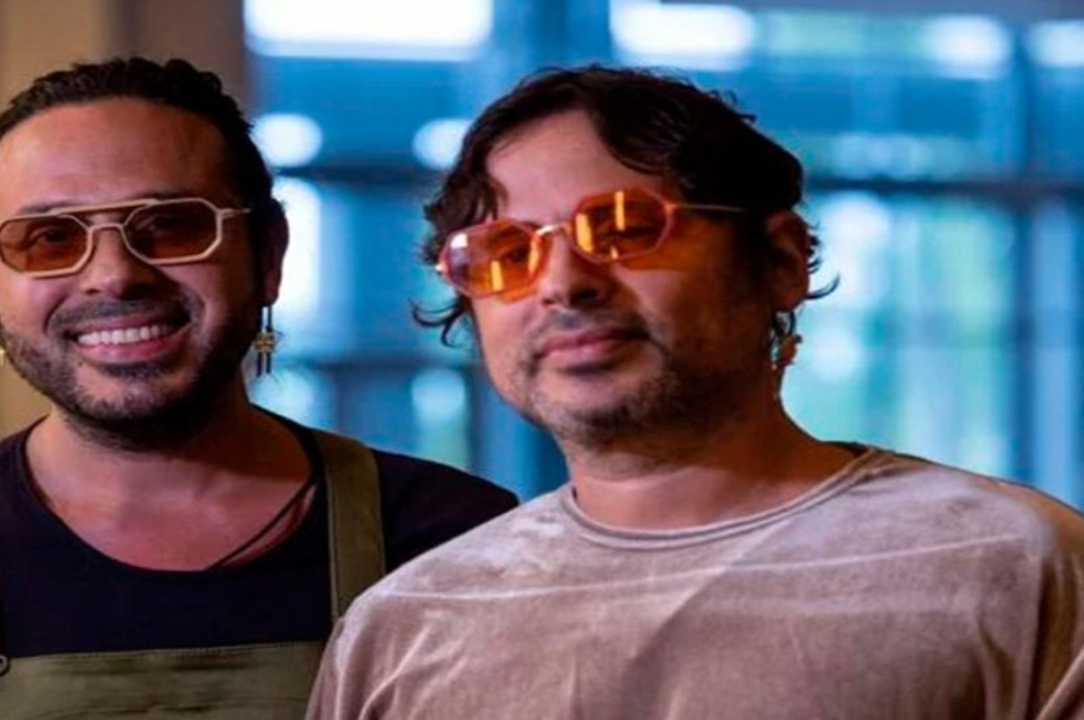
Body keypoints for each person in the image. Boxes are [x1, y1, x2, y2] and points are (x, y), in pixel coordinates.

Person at [306, 65, 1084, 719]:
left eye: (623, 228)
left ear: (780, 261)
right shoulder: (407, 626)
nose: (564, 283)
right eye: (507, 254)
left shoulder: (1012, 562)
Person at [0, 57, 516, 718]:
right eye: (49, 237)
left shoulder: (457, 540)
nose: (115, 275)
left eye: (172, 226)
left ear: (268, 255)